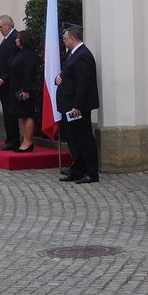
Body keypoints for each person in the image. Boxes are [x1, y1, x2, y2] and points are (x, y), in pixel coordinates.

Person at [56, 23, 100, 183]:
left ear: (73, 38)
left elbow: (84, 83)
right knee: (73, 138)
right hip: (69, 104)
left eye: (65, 38)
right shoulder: (72, 53)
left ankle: (91, 172)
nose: (64, 41)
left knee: (84, 138)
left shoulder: (82, 55)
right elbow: (67, 75)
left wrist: (77, 106)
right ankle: (78, 168)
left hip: (77, 106)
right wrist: (57, 79)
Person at [7, 29, 40, 152]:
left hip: (25, 90)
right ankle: (24, 141)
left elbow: (28, 73)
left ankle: (28, 142)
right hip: (16, 89)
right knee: (22, 115)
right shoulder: (20, 53)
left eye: (18, 38)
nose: (16, 39)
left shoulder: (30, 54)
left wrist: (26, 90)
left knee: (27, 114)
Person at [0, 15, 21, 150]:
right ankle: (10, 138)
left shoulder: (14, 38)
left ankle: (13, 140)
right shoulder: (7, 39)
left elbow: (11, 62)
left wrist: (3, 77)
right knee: (7, 112)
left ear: (8, 25)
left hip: (10, 83)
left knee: (10, 113)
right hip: (4, 83)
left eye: (0, 26)